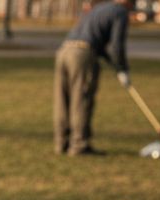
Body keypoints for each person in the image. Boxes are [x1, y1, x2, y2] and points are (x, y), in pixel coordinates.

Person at [55, 0, 133, 156]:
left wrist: (114, 65)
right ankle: (79, 145)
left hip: (64, 51)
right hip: (82, 54)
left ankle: (61, 143)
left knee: (63, 100)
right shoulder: (121, 13)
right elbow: (117, 45)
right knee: (81, 99)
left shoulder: (100, 8)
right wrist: (122, 69)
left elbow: (97, 42)